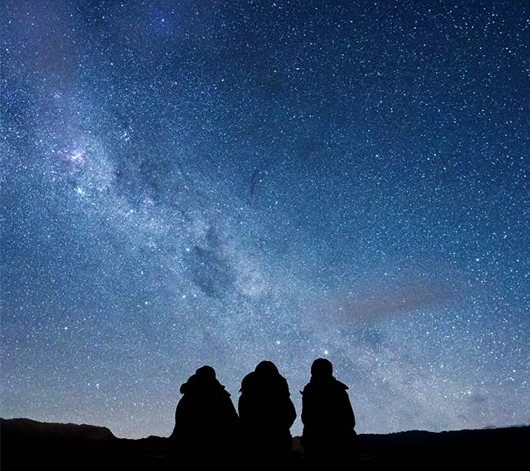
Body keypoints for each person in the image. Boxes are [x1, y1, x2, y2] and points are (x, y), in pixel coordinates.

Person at [167, 365, 238, 462]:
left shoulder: (188, 395)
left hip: (183, 447)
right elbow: (232, 420)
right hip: (213, 448)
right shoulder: (219, 395)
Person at [301, 358, 361, 461]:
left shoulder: (309, 390)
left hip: (315, 444)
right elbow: (349, 420)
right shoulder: (338, 390)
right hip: (339, 444)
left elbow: (306, 418)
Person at [238, 361, 297, 461]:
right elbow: (291, 414)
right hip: (279, 442)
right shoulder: (280, 392)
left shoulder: (248, 392)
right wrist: (280, 429)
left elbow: (243, 416)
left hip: (251, 442)